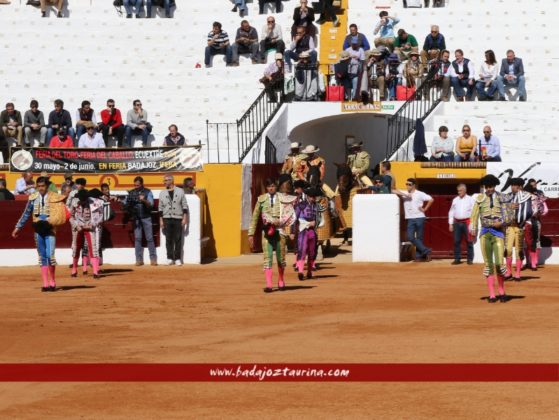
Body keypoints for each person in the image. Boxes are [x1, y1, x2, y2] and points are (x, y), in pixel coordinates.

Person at [12, 176, 67, 291]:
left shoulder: (54, 197)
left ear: (47, 186)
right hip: (38, 229)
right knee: (42, 256)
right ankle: (45, 283)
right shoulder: (33, 198)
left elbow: (61, 213)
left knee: (50, 256)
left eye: (43, 186)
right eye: (39, 186)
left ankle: (52, 281)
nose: (41, 188)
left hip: (50, 229)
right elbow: (26, 213)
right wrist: (18, 227)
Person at [248, 178, 296, 293]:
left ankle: (281, 280)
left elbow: (289, 211)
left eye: (273, 186)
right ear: (266, 187)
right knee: (267, 258)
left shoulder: (283, 198)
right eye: (269, 186)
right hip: (267, 232)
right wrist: (251, 233)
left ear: (276, 187)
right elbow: (255, 217)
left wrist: (283, 224)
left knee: (281, 258)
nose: (271, 188)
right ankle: (269, 284)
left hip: (280, 231)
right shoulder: (261, 199)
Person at [469, 175, 509, 303]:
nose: (489, 189)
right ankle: (492, 294)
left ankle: (501, 291)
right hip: (485, 233)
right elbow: (474, 215)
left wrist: (501, 222)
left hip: (498, 233)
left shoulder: (502, 197)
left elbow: (509, 216)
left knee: (499, 264)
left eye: (490, 186)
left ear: (494, 186)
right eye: (487, 187)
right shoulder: (479, 199)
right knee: (488, 265)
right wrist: (473, 228)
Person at [394, 178, 434, 261]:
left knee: (419, 238)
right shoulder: (404, 193)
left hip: (420, 217)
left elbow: (431, 199)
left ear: (414, 185)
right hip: (410, 218)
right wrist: (404, 195)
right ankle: (425, 250)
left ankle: (418, 257)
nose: (407, 186)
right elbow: (393, 190)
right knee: (410, 237)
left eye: (409, 184)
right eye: (407, 184)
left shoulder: (420, 194)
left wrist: (425, 209)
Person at [69, 189, 104, 279]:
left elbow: (101, 216)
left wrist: (93, 224)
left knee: (93, 248)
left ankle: (95, 271)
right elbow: (70, 217)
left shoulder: (95, 202)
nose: (82, 201)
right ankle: (74, 269)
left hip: (89, 227)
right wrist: (76, 225)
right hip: (79, 227)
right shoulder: (74, 202)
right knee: (76, 248)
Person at [123, 176, 157, 266]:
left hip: (146, 217)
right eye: (135, 185)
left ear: (142, 184)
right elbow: (126, 203)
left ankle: (153, 259)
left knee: (149, 238)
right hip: (136, 218)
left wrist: (144, 200)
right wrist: (119, 200)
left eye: (137, 185)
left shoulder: (148, 192)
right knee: (138, 239)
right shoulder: (132, 192)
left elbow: (151, 205)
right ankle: (138, 260)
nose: (136, 186)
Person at [503, 178, 532, 280]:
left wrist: (519, 210)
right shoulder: (508, 197)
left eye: (514, 185)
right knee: (508, 249)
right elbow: (502, 208)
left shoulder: (526, 197)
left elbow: (528, 212)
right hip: (510, 226)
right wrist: (509, 207)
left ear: (520, 186)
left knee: (519, 250)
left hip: (520, 226)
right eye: (512, 185)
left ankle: (518, 273)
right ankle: (509, 272)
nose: (512, 187)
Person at [158, 175, 189, 266]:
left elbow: (184, 205)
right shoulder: (162, 193)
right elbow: (160, 207)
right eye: (164, 180)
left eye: (166, 180)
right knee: (168, 239)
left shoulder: (180, 191)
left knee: (178, 239)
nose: (164, 182)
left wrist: (184, 218)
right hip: (166, 218)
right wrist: (161, 220)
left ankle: (178, 258)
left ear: (171, 181)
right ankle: (170, 258)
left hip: (178, 218)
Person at [292, 187, 320, 280]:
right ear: (308, 196)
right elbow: (294, 218)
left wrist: (316, 223)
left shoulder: (316, 206)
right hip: (303, 230)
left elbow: (318, 219)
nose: (313, 198)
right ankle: (300, 271)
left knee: (312, 252)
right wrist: (292, 231)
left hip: (312, 231)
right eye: (312, 196)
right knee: (302, 250)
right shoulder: (301, 205)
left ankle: (309, 272)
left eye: (314, 197)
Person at [448, 183, 475, 265]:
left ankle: (469, 259)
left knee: (469, 241)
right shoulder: (455, 200)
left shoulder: (471, 199)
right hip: (457, 222)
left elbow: (474, 212)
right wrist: (450, 224)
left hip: (467, 222)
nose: (459, 192)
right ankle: (457, 258)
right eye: (458, 191)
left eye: (460, 191)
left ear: (465, 190)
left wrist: (473, 225)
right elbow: (451, 212)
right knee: (456, 241)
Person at [524, 182, 548, 271]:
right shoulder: (524, 195)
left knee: (536, 240)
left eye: (535, 184)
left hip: (535, 220)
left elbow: (545, 209)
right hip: (525, 221)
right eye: (532, 185)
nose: (534, 186)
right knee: (526, 241)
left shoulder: (539, 194)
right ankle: (528, 262)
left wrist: (540, 213)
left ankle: (534, 262)